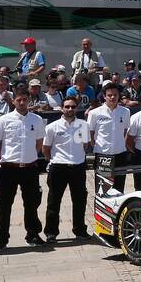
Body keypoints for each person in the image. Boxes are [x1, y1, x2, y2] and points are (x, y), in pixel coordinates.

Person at [0, 87, 47, 250]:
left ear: (29, 100)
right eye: (18, 100)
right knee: (4, 205)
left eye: (24, 99)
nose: (22, 102)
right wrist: (1, 158)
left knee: (31, 203)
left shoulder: (36, 119)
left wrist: (30, 156)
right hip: (9, 168)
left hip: (29, 168)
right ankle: (1, 238)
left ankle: (33, 234)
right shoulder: (3, 120)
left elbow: (39, 142)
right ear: (13, 101)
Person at [43, 98, 92, 242]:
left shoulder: (83, 125)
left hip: (77, 167)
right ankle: (51, 232)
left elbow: (85, 145)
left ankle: (80, 230)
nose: (70, 109)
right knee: (53, 201)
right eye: (67, 107)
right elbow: (46, 148)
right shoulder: (52, 127)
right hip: (58, 167)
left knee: (80, 200)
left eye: (73, 107)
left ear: (77, 108)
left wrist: (78, 158)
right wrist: (51, 160)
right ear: (62, 108)